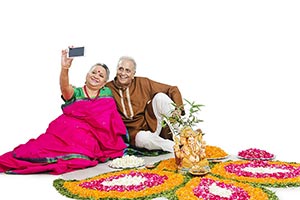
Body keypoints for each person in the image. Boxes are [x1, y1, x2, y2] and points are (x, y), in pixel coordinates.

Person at [0, 48, 127, 175]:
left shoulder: (107, 94)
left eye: (101, 75)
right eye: (94, 72)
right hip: (65, 135)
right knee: (35, 150)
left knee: (82, 154)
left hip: (92, 140)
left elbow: (111, 120)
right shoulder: (77, 92)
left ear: (105, 82)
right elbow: (65, 88)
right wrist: (65, 68)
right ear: (87, 75)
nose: (96, 76)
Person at [106, 56, 185, 153]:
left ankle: (186, 136)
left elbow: (172, 89)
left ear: (133, 74)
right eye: (120, 69)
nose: (123, 73)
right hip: (134, 134)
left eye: (128, 70)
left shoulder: (142, 83)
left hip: (151, 124)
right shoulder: (107, 88)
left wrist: (178, 109)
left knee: (160, 97)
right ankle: (180, 149)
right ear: (116, 69)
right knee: (144, 138)